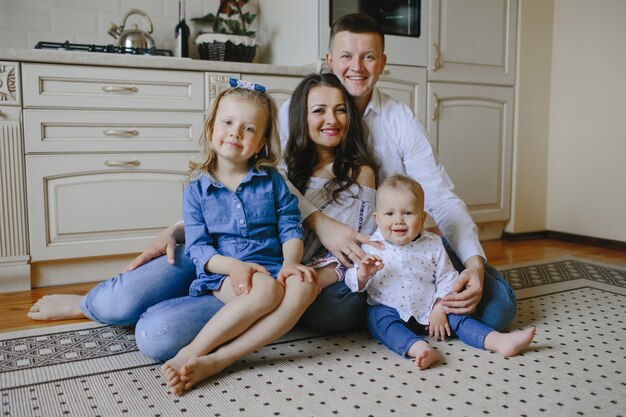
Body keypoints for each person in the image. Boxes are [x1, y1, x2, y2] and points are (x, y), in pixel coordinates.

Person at [278, 13, 516, 332]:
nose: (357, 67)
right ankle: (395, 304)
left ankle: (412, 295)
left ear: (383, 62)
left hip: (402, 243)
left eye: (369, 57)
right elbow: (271, 177)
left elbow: (439, 197)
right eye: (347, 56)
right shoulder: (299, 109)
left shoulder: (398, 119)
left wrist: (474, 263)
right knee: (330, 311)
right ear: (330, 60)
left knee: (498, 312)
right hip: (327, 256)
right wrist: (321, 224)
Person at [161, 83, 319, 395]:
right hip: (223, 272)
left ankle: (222, 359)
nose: (235, 133)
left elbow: (290, 226)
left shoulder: (272, 181)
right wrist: (234, 267)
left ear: (260, 142)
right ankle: (192, 352)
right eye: (228, 122)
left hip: (272, 265)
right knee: (266, 290)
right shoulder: (196, 190)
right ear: (211, 129)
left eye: (248, 128)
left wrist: (290, 263)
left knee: (306, 283)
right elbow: (198, 247)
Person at [345, 175, 536, 370]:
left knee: (459, 317)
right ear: (377, 218)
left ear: (422, 218)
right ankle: (420, 349)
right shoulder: (371, 247)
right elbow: (351, 280)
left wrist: (439, 307)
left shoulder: (433, 244)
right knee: (379, 321)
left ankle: (498, 341)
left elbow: (447, 277)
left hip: (430, 309)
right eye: (390, 213)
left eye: (408, 213)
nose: (399, 220)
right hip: (389, 309)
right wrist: (362, 274)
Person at [284, 72, 380, 289]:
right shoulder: (288, 167)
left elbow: (351, 252)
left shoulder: (359, 172)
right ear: (302, 117)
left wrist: (306, 284)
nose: (332, 120)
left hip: (316, 278)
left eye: (340, 110)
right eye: (319, 110)